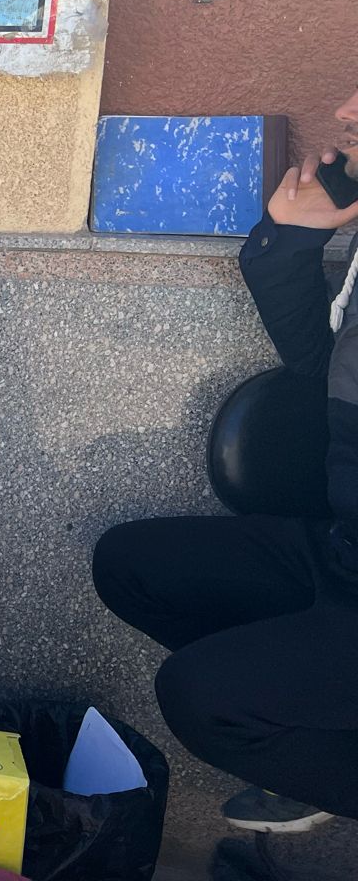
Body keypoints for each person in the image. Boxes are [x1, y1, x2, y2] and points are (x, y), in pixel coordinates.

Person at [94, 89, 358, 854]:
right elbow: (320, 364)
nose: (346, 110)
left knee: (202, 698)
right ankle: (319, 728)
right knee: (132, 565)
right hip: (342, 552)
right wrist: (290, 241)